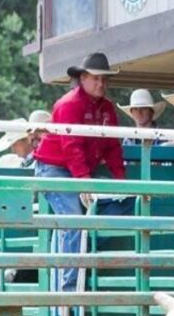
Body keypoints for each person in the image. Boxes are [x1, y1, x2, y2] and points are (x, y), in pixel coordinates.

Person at [31, 52, 135, 292]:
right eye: (95, 78)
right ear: (83, 79)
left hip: (82, 170)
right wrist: (84, 182)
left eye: (104, 79)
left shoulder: (107, 108)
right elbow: (71, 147)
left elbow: (112, 146)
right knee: (74, 221)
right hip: (54, 169)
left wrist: (121, 182)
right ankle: (70, 289)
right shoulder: (68, 105)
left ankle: (84, 255)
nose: (101, 84)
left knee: (127, 201)